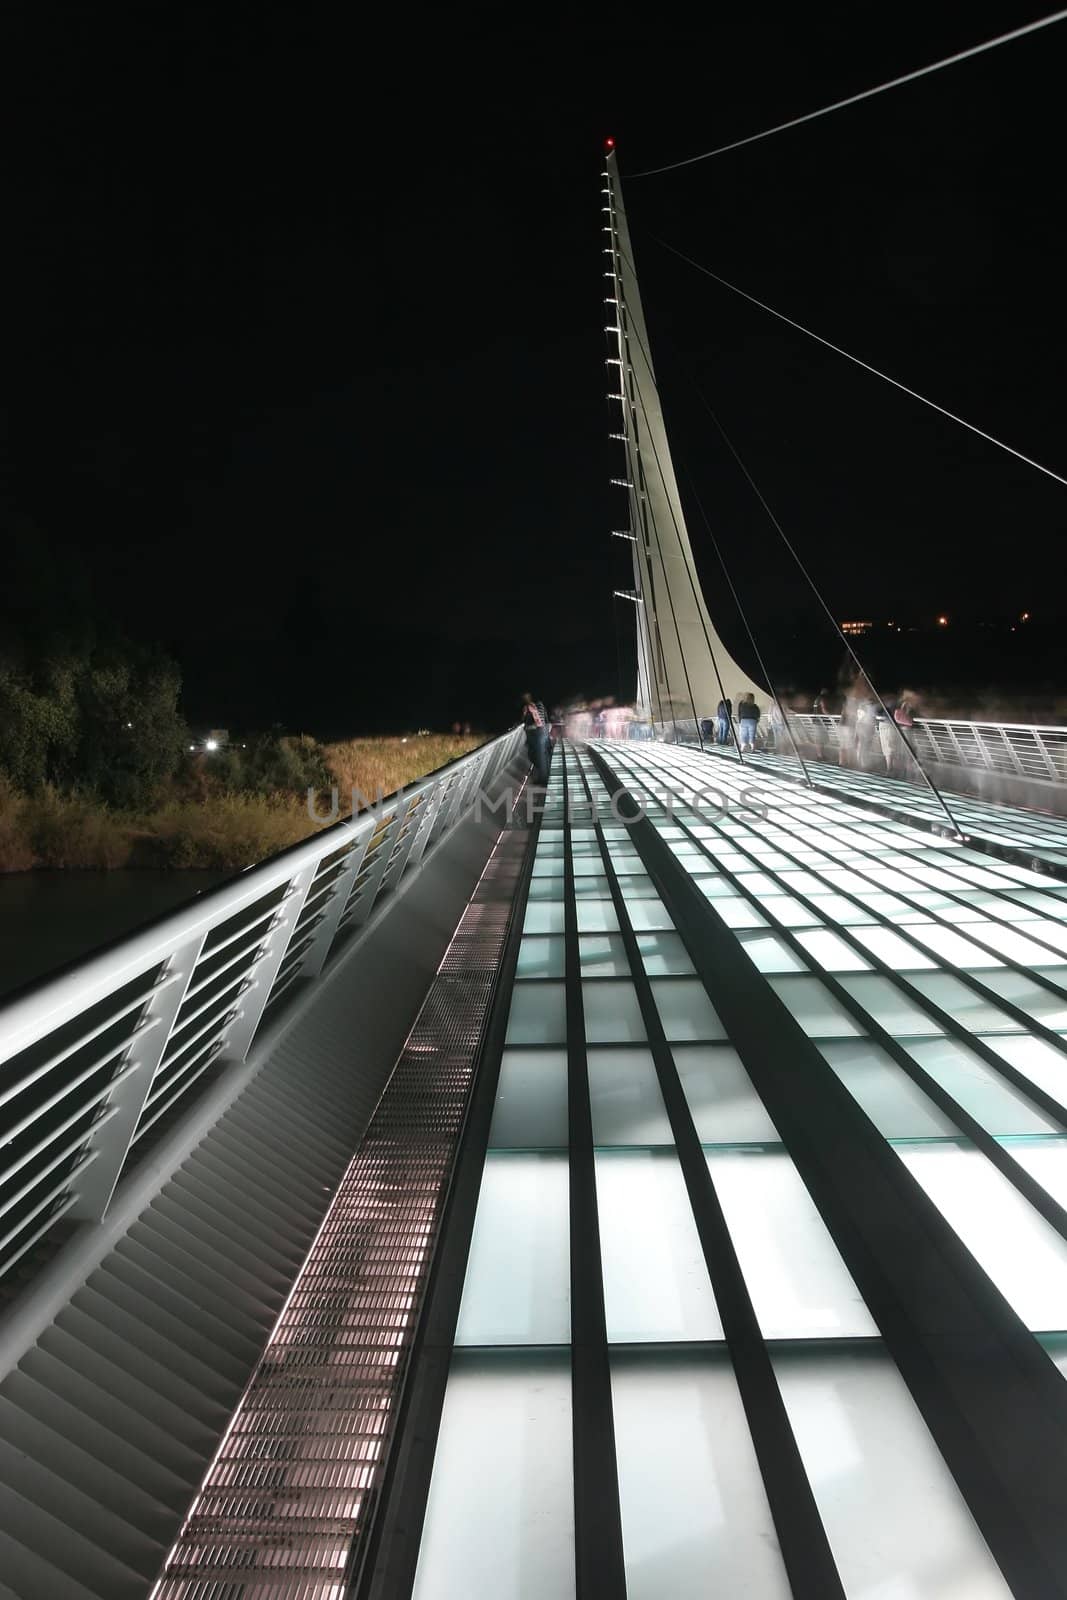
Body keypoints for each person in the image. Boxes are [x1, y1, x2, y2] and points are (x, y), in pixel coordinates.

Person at [521, 692, 551, 786]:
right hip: (543, 732)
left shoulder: (531, 706)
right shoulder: (540, 704)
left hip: (537, 733)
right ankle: (545, 777)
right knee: (543, 756)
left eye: (526, 696)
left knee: (539, 757)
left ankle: (543, 780)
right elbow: (545, 720)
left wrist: (527, 727)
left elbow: (538, 722)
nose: (524, 698)